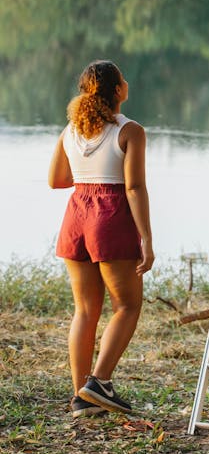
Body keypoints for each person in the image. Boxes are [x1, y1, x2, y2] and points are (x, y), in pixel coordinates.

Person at [48, 60, 154, 419]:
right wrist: (148, 240)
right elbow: (135, 187)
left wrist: (87, 172)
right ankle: (100, 383)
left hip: (77, 214)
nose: (127, 82)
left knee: (85, 310)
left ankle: (81, 397)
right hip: (110, 216)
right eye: (123, 78)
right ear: (117, 90)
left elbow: (56, 180)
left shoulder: (71, 131)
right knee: (127, 305)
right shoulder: (130, 131)